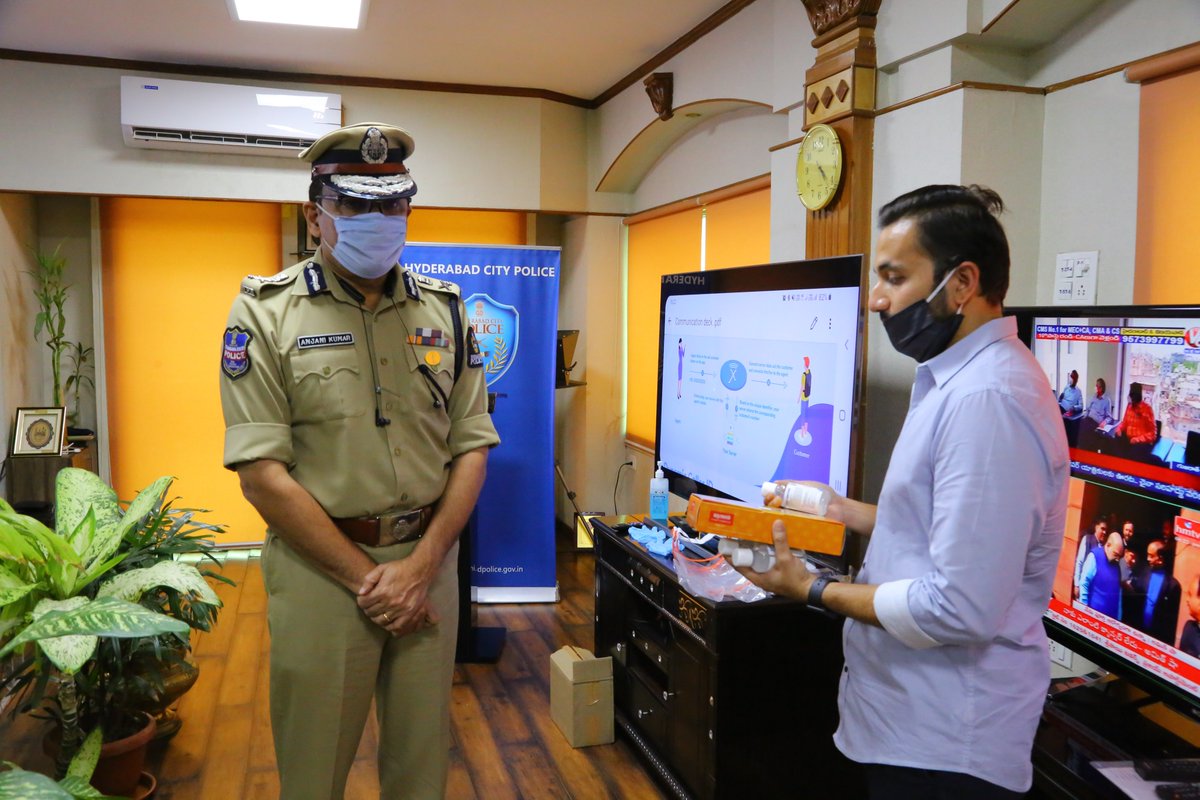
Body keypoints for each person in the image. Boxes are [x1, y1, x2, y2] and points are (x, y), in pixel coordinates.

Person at [733, 185, 1069, 799]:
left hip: (946, 744)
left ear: (962, 283)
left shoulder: (988, 401)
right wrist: (840, 509)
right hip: (906, 719)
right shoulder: (956, 377)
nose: (876, 299)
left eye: (894, 277)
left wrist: (811, 589)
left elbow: (959, 606)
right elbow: (944, 527)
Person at [219, 122, 500, 800]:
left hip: (428, 564)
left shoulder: (446, 309)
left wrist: (421, 568)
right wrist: (371, 581)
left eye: (393, 203)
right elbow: (262, 475)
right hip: (321, 572)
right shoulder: (265, 313)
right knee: (314, 770)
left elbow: (471, 445)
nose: (377, 219)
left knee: (421, 767)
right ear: (315, 214)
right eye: (354, 204)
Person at [1128, 540, 1181, 645]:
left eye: (1151, 556)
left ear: (1160, 559)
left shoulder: (1173, 586)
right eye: (1147, 555)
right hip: (1138, 631)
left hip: (1157, 638)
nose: (1148, 559)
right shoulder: (1143, 572)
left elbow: (1170, 622)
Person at [1079, 530, 1125, 619]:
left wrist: (1118, 618)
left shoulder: (1117, 567)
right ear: (1108, 545)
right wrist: (1084, 609)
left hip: (1111, 619)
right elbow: (1084, 583)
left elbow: (1118, 594)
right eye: (1116, 554)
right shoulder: (1094, 556)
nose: (1117, 559)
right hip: (1093, 616)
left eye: (1119, 556)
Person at [1111, 382, 1157, 458]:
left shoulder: (1147, 409)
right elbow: (1124, 423)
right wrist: (1119, 429)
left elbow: (1152, 434)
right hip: (1129, 439)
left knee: (1135, 452)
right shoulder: (1129, 406)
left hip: (1140, 442)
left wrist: (1137, 439)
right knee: (1114, 440)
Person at [1073, 518, 1108, 602]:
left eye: (1106, 530)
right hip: (1083, 587)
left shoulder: (1104, 547)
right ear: (1096, 527)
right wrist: (1077, 585)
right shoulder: (1087, 539)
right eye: (1102, 529)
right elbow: (1079, 562)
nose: (1104, 532)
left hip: (1095, 592)